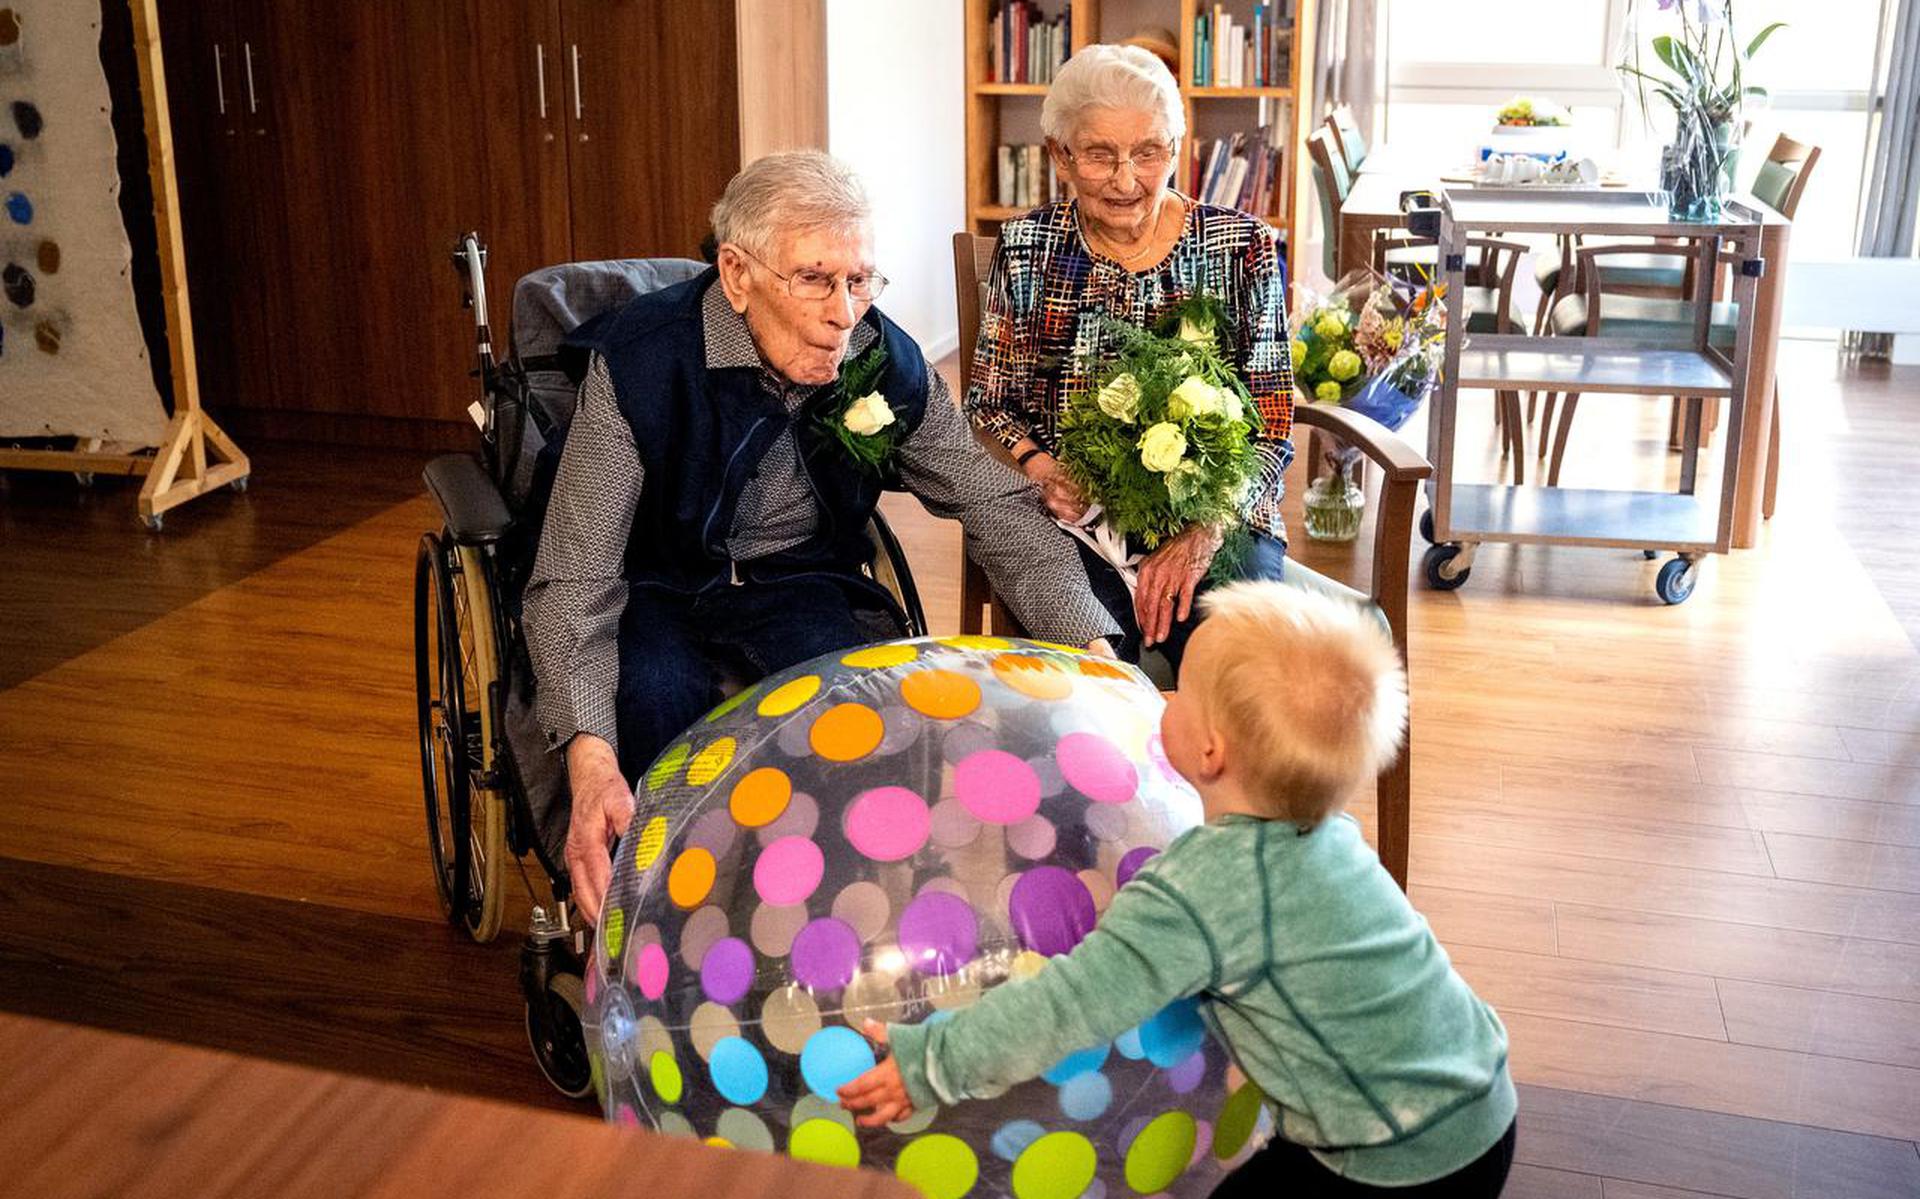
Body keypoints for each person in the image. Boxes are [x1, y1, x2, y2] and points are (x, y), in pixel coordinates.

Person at [524, 151, 1120, 924]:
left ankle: (827, 919)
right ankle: (660, 922)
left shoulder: (879, 357)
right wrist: (589, 757)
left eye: (861, 279)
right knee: (653, 703)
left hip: (799, 577)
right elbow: (579, 577)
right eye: (815, 279)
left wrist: (1096, 653)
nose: (845, 313)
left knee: (855, 719)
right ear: (737, 275)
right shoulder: (642, 363)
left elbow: (996, 502)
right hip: (652, 582)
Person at [839, 583, 1516, 1196]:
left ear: (1211, 752)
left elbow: (1067, 1003)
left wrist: (934, 1061)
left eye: (1181, 690)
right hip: (1482, 1102)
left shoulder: (1202, 888)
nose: (1162, 695)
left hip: (1394, 1155)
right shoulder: (1331, 832)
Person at [967, 44, 1296, 672]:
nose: (1126, 179)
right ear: (1059, 155)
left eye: (1149, 152)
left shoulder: (1241, 246)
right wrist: (1041, 469)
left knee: (1236, 667)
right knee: (1091, 682)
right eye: (1099, 154)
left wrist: (1206, 529)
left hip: (1218, 516)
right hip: (1073, 524)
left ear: (1177, 147)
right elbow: (989, 403)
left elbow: (1273, 421)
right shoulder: (1030, 247)